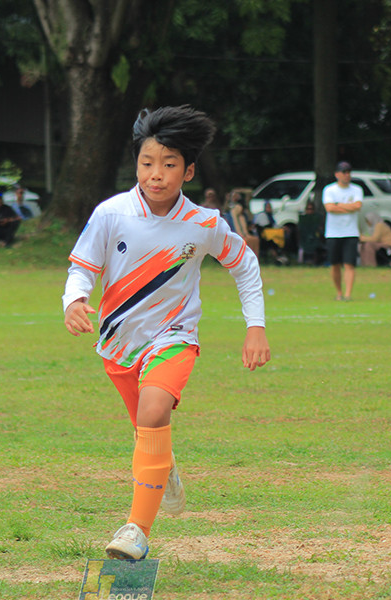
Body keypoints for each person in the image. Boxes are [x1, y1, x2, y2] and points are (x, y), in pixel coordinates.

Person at [62, 106, 270, 561]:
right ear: (136, 163)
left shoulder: (205, 224)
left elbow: (245, 266)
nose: (156, 174)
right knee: (147, 430)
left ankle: (136, 530)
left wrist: (255, 327)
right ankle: (165, 466)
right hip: (118, 344)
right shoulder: (110, 214)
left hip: (174, 337)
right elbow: (83, 268)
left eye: (169, 164)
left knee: (154, 413)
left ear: (188, 170)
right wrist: (74, 301)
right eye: (147, 163)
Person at [323, 161, 363, 300]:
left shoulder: (356, 190)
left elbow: (357, 206)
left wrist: (338, 205)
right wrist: (347, 207)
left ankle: (348, 294)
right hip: (333, 233)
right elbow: (330, 208)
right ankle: (339, 292)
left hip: (351, 232)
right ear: (337, 174)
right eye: (344, 172)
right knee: (335, 264)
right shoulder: (329, 190)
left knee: (349, 264)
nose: (347, 175)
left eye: (348, 172)